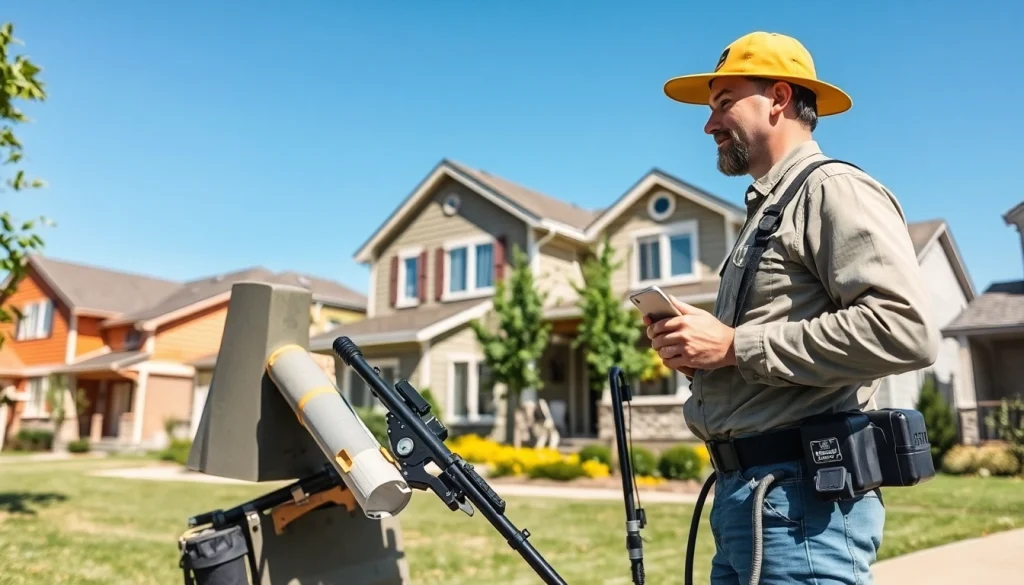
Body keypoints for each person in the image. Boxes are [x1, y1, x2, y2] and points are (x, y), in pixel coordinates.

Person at [647, 32, 939, 584]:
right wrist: (703, 353)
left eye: (723, 102)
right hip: (752, 501)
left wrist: (734, 345)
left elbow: (907, 330)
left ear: (779, 97)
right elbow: (766, 355)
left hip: (802, 508)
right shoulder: (768, 213)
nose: (709, 124)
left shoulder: (832, 190)